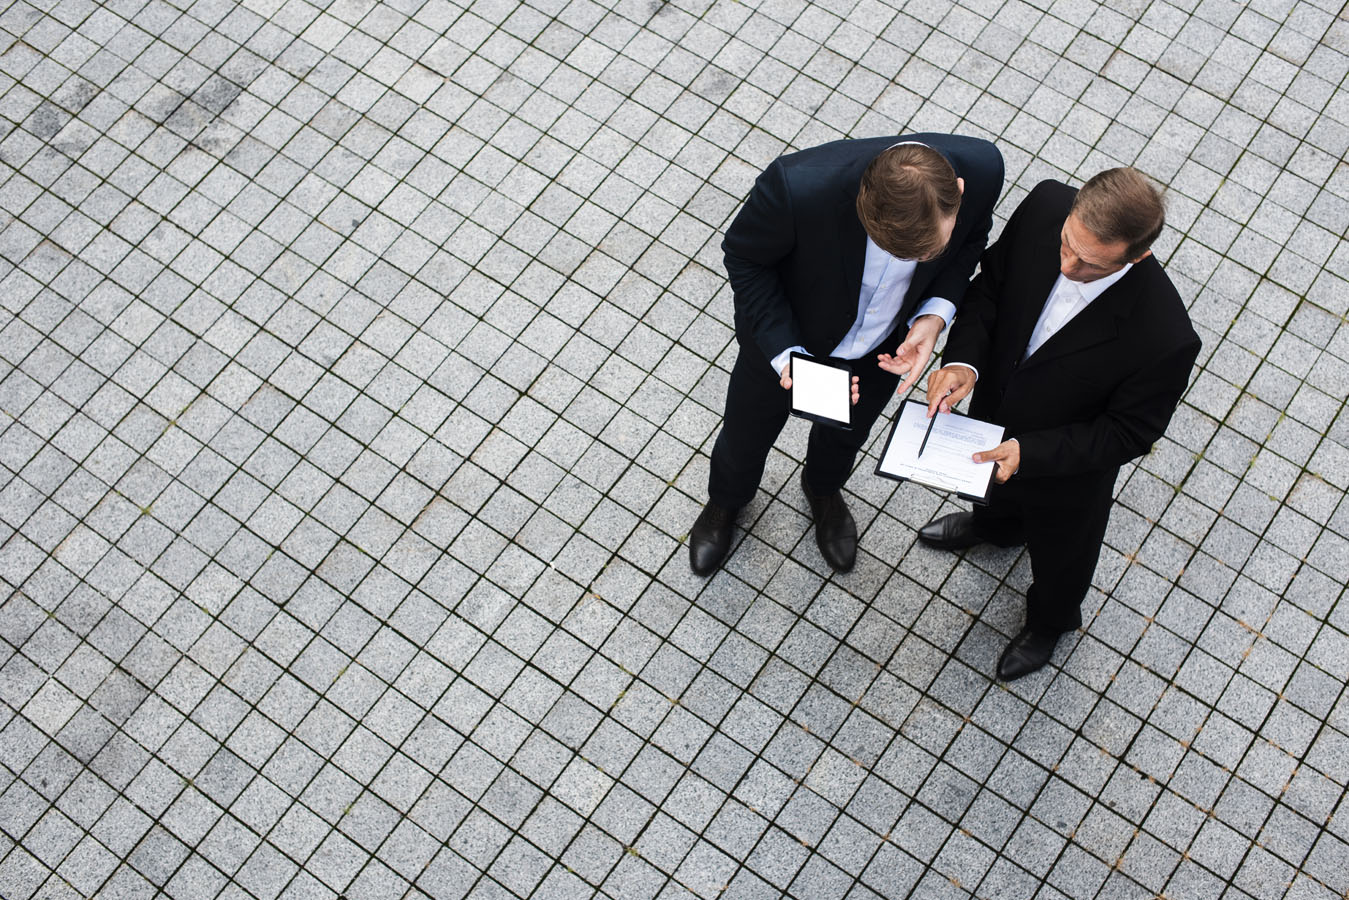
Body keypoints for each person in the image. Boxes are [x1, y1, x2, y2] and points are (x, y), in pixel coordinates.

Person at [916, 168, 1201, 680]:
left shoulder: (1166, 334)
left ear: (1136, 255)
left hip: (1065, 469)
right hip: (994, 415)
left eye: (1090, 263)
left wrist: (1033, 454)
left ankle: (1050, 622)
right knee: (993, 496)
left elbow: (1130, 432)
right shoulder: (1046, 206)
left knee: (1063, 556)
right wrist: (964, 362)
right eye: (1067, 244)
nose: (1068, 265)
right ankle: (995, 529)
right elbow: (992, 289)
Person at [688, 134, 1004, 577]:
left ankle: (822, 490)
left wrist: (933, 315)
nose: (914, 261)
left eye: (926, 252)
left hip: (883, 350)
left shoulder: (985, 169)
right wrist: (785, 356)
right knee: (745, 435)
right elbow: (745, 258)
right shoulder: (795, 186)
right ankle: (726, 501)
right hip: (788, 338)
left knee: (847, 435)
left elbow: (972, 241)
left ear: (961, 192)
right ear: (862, 204)